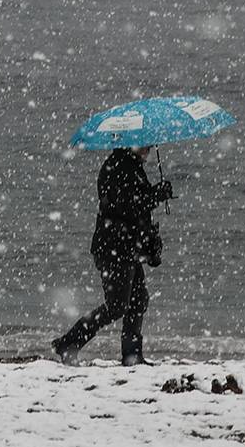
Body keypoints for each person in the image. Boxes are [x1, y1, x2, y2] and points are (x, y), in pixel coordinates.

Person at [51, 146, 172, 366]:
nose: (149, 148)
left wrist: (156, 194)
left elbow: (136, 205)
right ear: (132, 144)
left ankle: (132, 355)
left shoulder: (130, 165)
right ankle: (69, 343)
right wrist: (156, 195)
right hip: (114, 247)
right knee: (117, 305)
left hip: (125, 246)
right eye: (145, 143)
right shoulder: (117, 167)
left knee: (138, 300)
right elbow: (126, 207)